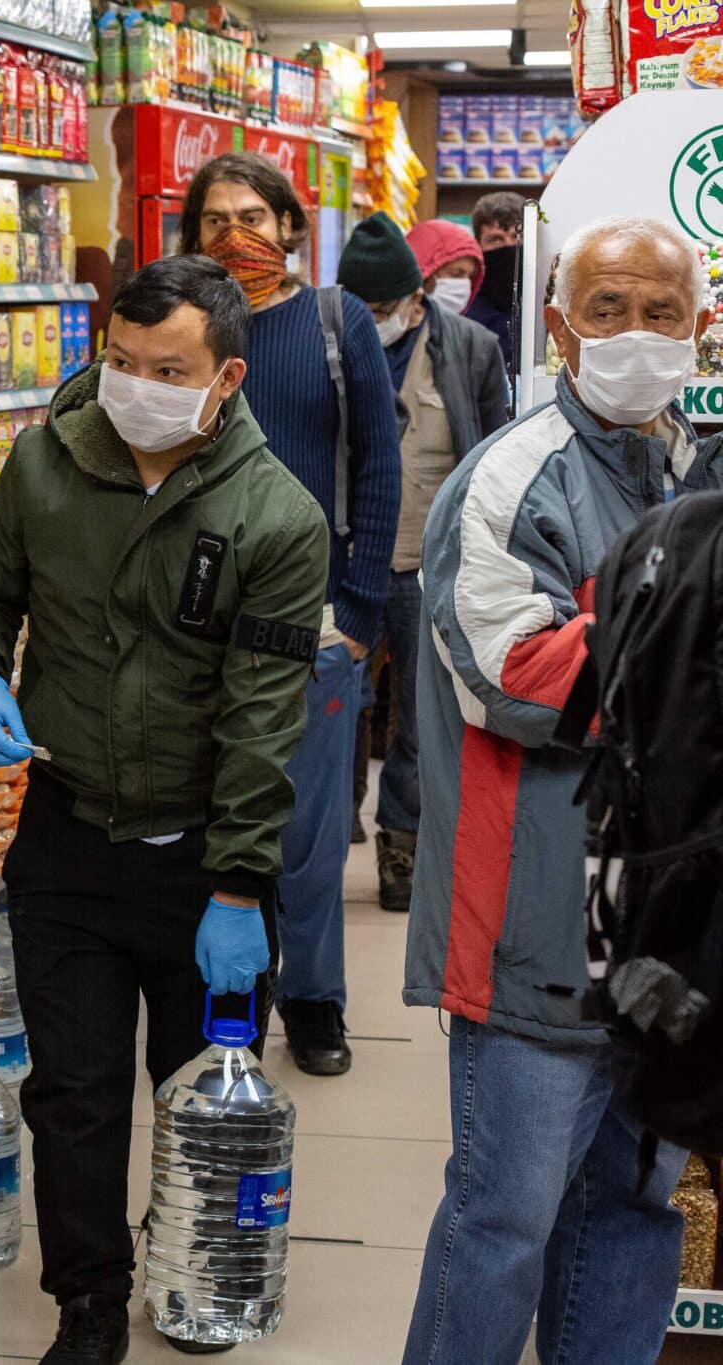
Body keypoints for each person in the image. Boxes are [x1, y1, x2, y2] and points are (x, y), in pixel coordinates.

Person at [0, 256, 327, 1365]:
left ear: (225, 379)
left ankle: (190, 1270)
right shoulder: (42, 463)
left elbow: (263, 720)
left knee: (198, 1094)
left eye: (167, 370)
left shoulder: (275, 516)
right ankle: (87, 1301)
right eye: (119, 361)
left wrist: (238, 887)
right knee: (71, 1093)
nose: (134, 386)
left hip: (204, 852)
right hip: (65, 832)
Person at [403, 214, 711, 1365]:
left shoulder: (697, 470)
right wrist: (688, 635)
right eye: (605, 311)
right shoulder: (505, 481)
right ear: (555, 326)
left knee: (629, 1211)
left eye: (660, 315)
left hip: (663, 931)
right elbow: (514, 679)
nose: (634, 335)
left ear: (699, 330)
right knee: (503, 1221)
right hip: (528, 926)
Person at [179, 152, 402, 1077]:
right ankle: (234, 996)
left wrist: (359, 610)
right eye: (215, 218)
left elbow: (379, 466)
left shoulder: (332, 320)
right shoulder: (181, 328)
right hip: (199, 622)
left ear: (289, 228)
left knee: (307, 832)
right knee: (217, 823)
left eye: (255, 216)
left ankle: (313, 999)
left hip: (315, 622)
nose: (236, 235)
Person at [333, 212, 508, 913]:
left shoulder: (469, 347)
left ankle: (400, 845)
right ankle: (330, 815)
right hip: (345, 562)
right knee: (335, 702)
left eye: (383, 309)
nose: (373, 320)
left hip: (427, 565)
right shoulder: (332, 341)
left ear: (415, 296)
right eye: (362, 308)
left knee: (416, 712)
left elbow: (495, 450)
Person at [468, 192, 526, 377]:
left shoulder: (547, 298)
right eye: (496, 239)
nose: (509, 246)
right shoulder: (465, 304)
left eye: (517, 237)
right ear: (477, 244)